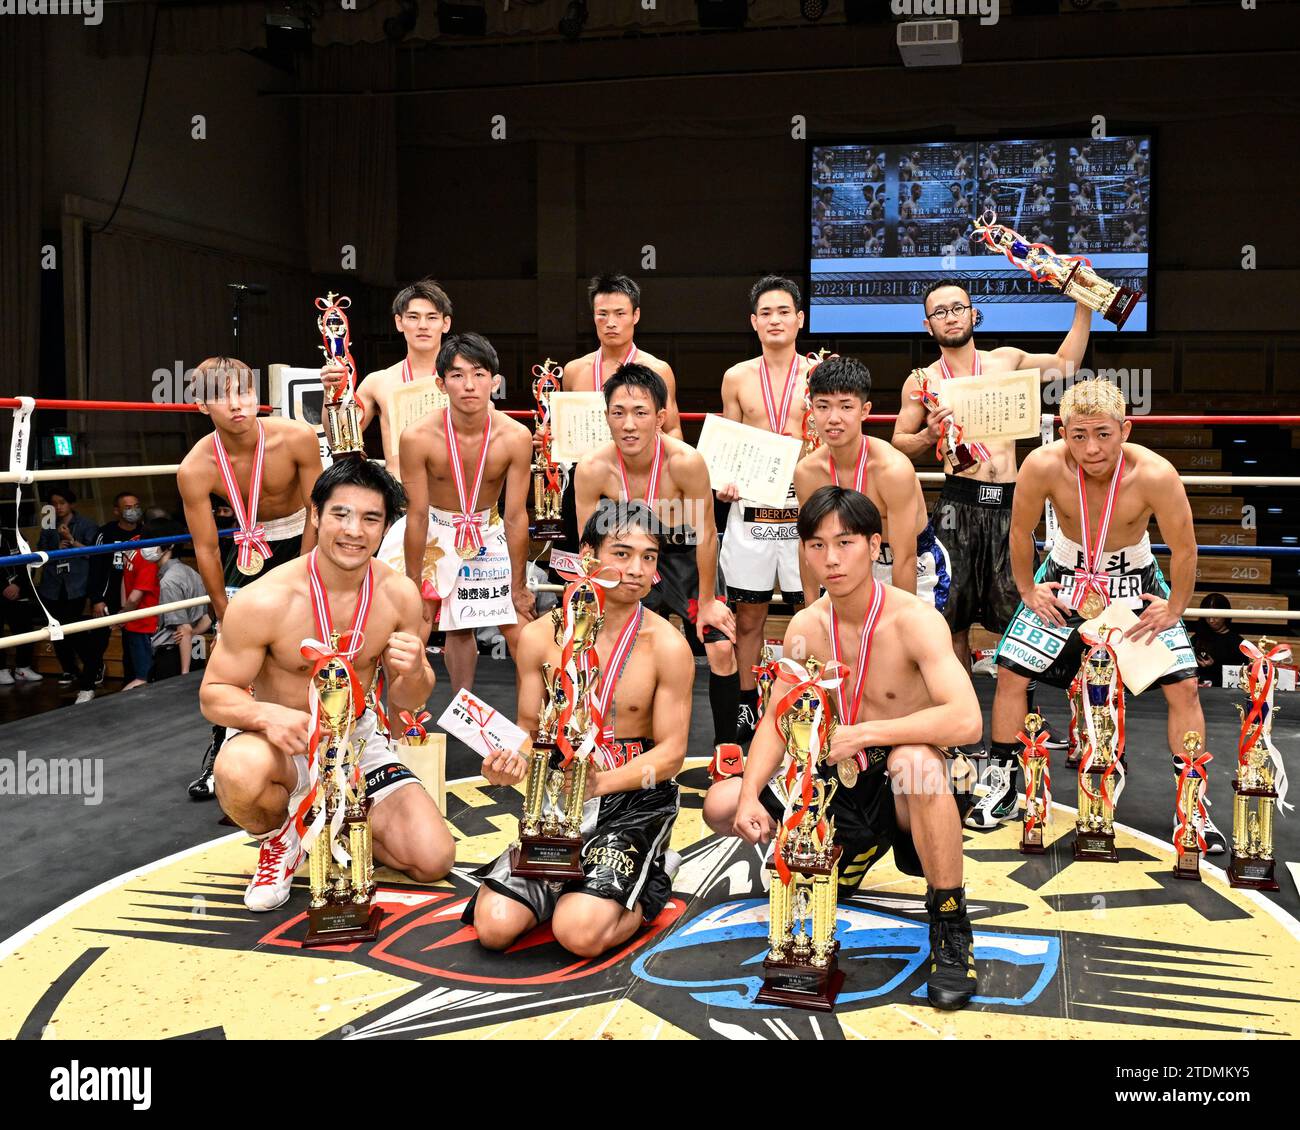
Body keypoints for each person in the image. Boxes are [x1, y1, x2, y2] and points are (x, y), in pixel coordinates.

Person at [707, 487, 983, 1010]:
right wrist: (748, 797)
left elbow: (966, 720)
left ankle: (950, 925)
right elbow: (775, 718)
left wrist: (868, 734)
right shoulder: (807, 627)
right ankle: (849, 854)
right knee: (722, 803)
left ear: (875, 545)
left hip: (904, 783)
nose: (830, 559)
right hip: (837, 780)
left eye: (845, 542)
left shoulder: (914, 619)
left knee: (915, 762)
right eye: (816, 545)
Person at [205, 458, 452, 912]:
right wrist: (265, 714)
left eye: (370, 518)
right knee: (237, 772)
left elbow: (406, 703)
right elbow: (214, 693)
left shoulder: (399, 595)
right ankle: (280, 839)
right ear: (316, 515)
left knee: (433, 858)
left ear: (385, 528)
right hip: (283, 740)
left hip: (356, 743)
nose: (354, 530)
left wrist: (416, 671)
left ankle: (333, 821)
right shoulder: (265, 599)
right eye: (340, 514)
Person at [987, 379, 1225, 850]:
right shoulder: (1043, 465)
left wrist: (1176, 606)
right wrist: (1027, 588)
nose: (1091, 448)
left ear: (1125, 429)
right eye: (1078, 436)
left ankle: (1194, 806)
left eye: (1102, 434)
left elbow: (1184, 547)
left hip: (1135, 584)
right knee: (1010, 671)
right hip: (1064, 576)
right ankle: (1001, 785)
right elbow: (1019, 530)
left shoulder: (1155, 474)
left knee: (1183, 683)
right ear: (1062, 431)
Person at [465, 501, 692, 958]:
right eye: (622, 553)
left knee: (579, 933)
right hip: (556, 797)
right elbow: (530, 730)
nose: (636, 569)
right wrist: (510, 761)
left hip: (632, 797)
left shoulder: (668, 645)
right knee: (494, 926)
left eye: (648, 557)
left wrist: (601, 784)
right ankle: (572, 882)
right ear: (587, 555)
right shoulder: (539, 636)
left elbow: (670, 754)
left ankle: (651, 874)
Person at [892, 280, 1091, 717]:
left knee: (1023, 614)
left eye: (957, 308)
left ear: (973, 314)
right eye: (939, 312)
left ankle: (1026, 724)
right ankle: (956, 717)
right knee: (952, 620)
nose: (950, 316)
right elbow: (898, 441)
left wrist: (1084, 305)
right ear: (928, 326)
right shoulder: (922, 381)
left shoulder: (1006, 361)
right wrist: (928, 434)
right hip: (957, 506)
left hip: (1011, 506)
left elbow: (1067, 363)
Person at [178, 356, 324, 799]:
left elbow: (319, 510)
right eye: (222, 397)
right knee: (231, 658)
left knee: (317, 643)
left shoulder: (296, 437)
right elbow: (204, 546)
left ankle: (338, 743)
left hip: (304, 538)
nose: (236, 405)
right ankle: (222, 754)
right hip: (246, 548)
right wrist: (222, 608)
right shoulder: (195, 467)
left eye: (243, 392)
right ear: (202, 406)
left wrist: (306, 572)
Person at [574, 364, 739, 746]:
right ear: (607, 417)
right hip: (627, 560)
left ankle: (727, 751)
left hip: (686, 559)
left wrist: (710, 600)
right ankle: (610, 744)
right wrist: (595, 599)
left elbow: (707, 533)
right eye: (619, 413)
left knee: (720, 648)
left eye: (640, 412)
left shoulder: (685, 462)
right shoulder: (593, 468)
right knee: (610, 645)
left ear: (661, 417)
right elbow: (589, 547)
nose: (628, 424)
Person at [384, 332, 535, 695]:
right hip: (434, 527)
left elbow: (515, 516)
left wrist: (518, 585)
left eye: (479, 374)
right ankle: (398, 729)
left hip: (488, 529)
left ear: (494, 382)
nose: (469, 385)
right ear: (441, 383)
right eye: (457, 375)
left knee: (522, 630)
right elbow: (417, 514)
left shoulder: (515, 436)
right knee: (413, 629)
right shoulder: (417, 437)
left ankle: (533, 730)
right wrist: (415, 584)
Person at [718, 275, 809, 743]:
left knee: (809, 612)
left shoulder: (817, 374)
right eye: (766, 313)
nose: (775, 320)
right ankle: (748, 704)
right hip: (751, 510)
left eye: (784, 311)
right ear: (754, 323)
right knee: (748, 616)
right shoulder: (737, 376)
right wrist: (723, 482)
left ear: (799, 319)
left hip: (803, 511)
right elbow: (728, 446)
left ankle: (806, 698)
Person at [794, 356, 950, 609]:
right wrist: (810, 609)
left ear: (864, 411)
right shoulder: (808, 472)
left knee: (908, 643)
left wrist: (903, 623)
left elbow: (905, 557)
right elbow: (808, 544)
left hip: (910, 562)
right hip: (848, 558)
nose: (834, 418)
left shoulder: (892, 469)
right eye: (823, 406)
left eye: (846, 407)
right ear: (811, 409)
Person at [322, 278, 453, 469]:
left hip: (450, 494)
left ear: (446, 323)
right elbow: (339, 439)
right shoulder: (379, 382)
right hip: (399, 493)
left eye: (432, 317)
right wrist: (331, 393)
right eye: (413, 317)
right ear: (399, 322)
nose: (423, 325)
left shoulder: (464, 380)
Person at [560, 273, 682, 437]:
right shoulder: (574, 371)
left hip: (641, 461)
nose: (610, 323)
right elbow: (567, 431)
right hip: (588, 461)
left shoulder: (658, 369)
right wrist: (550, 441)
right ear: (594, 316)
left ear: (635, 315)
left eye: (620, 313)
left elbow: (673, 430)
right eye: (602, 314)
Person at [35, 485, 102, 704]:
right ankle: (69, 669)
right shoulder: (48, 525)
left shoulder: (87, 524)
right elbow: (39, 553)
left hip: (77, 585)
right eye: (54, 504)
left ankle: (91, 669)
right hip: (52, 585)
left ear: (71, 504)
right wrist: (56, 546)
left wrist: (72, 541)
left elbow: (95, 554)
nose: (58, 507)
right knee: (56, 629)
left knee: (73, 628)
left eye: (62, 503)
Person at [85, 490, 144, 687]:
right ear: (117, 511)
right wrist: (96, 599)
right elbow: (95, 568)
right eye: (128, 507)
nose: (133, 511)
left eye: (136, 506)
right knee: (96, 645)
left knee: (132, 646)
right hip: (107, 599)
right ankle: (87, 687)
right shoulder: (105, 533)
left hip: (135, 599)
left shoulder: (145, 532)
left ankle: (130, 687)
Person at [148, 520, 212, 682]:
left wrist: (184, 675)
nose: (145, 546)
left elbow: (184, 629)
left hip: (175, 657)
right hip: (194, 651)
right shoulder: (191, 572)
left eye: (151, 541)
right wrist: (193, 632)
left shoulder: (169, 581)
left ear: (169, 546)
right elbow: (206, 620)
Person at [119, 525, 162, 691]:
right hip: (144, 623)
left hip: (134, 620)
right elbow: (135, 596)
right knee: (142, 679)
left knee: (138, 674)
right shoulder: (149, 558)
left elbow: (124, 577)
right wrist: (125, 614)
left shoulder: (133, 542)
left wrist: (124, 612)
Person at [0, 525, 41, 685]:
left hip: (19, 591)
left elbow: (30, 562)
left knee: (24, 629)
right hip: (1, 592)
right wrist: (3, 588)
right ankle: (1, 669)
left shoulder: (15, 535)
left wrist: (18, 585)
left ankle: (23, 667)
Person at [1190, 592, 1245, 688]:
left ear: (1225, 614)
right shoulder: (1197, 638)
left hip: (1224, 692)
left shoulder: (1237, 643)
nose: (1211, 620)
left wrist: (1215, 666)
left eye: (1216, 616)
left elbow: (1239, 676)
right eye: (1207, 616)